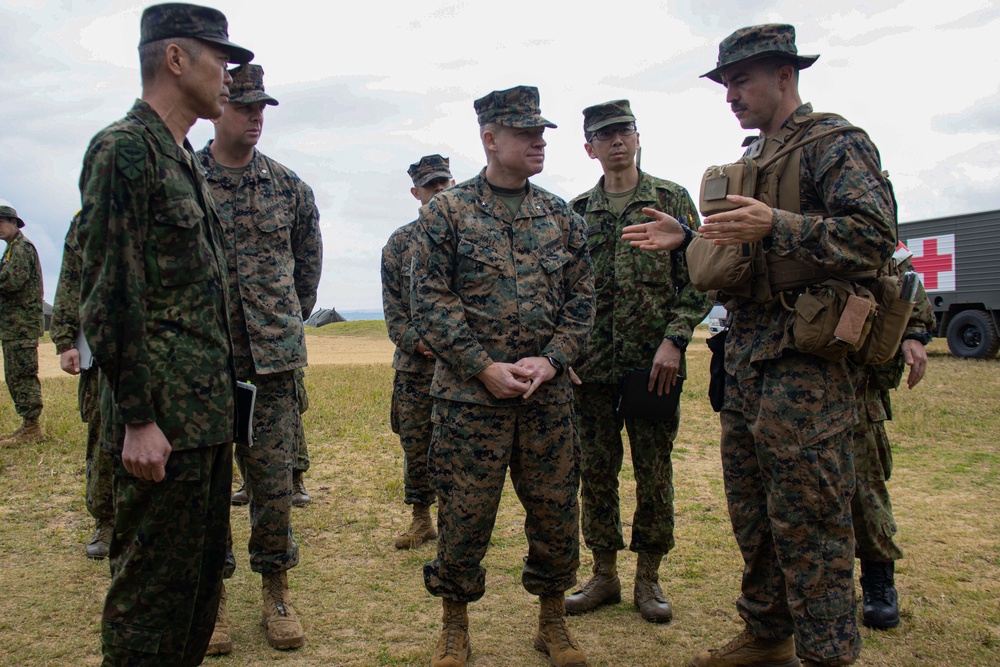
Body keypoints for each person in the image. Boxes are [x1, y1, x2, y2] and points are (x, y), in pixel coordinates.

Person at [75, 4, 252, 664]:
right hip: (163, 429)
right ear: (176, 59)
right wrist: (138, 419)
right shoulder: (124, 149)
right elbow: (110, 294)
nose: (230, 77)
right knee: (150, 596)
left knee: (201, 589)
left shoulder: (180, 156)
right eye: (220, 60)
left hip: (203, 423)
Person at [410, 86, 595, 667]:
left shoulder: (561, 216)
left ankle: (553, 624)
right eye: (524, 133)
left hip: (547, 399)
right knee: (464, 515)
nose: (538, 141)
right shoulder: (448, 213)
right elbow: (431, 303)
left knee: (556, 510)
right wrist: (482, 368)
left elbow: (583, 302)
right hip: (470, 402)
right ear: (490, 139)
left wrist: (553, 359)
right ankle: (455, 628)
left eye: (542, 132)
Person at [564, 100, 710, 623]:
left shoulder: (670, 199)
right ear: (589, 148)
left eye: (624, 130)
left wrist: (675, 339)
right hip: (592, 369)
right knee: (595, 472)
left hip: (654, 365)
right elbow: (565, 290)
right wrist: (565, 353)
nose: (616, 141)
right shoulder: (577, 211)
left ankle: (649, 578)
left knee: (654, 472)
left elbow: (699, 275)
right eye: (604, 135)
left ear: (638, 137)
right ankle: (603, 574)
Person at [197, 62, 322, 652]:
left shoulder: (289, 187)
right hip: (203, 365)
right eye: (244, 106)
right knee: (208, 485)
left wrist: (279, 326)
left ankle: (276, 593)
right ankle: (213, 602)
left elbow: (307, 272)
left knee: (272, 488)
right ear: (218, 106)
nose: (255, 118)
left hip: (272, 368)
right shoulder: (185, 179)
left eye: (262, 108)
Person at [851, 252, 934, 630]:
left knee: (866, 494)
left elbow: (910, 292)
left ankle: (879, 584)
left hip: (860, 389)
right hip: (801, 383)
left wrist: (915, 336)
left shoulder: (879, 247)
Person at [381, 154, 454, 550]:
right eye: (431, 186)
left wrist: (457, 346)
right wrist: (420, 343)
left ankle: (456, 521)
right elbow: (393, 313)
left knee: (459, 446)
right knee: (415, 443)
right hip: (414, 369)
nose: (439, 190)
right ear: (416, 192)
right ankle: (421, 520)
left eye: (444, 182)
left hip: (461, 368)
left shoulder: (472, 235)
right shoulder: (398, 244)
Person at [50, 212, 115, 559]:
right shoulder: (90, 216)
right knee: (104, 439)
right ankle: (106, 519)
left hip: (163, 348)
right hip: (103, 348)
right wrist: (64, 339)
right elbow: (72, 277)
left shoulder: (178, 204)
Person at [0, 204, 44, 448]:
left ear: (13, 223)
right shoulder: (10, 250)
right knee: (14, 376)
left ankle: (33, 427)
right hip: (12, 326)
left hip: (22, 326)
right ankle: (27, 424)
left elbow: (13, 280)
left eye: (0, 223)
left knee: (23, 375)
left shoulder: (22, 248)